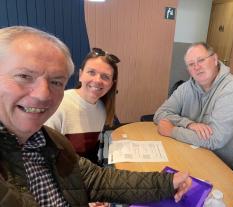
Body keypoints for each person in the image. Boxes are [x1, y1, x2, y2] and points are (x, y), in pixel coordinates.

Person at [0, 26, 191, 206]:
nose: (42, 94)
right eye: (24, 76)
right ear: (81, 75)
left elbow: (95, 179)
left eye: (56, 81)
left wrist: (167, 182)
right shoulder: (58, 114)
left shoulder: (49, 140)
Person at [153, 42, 233, 168]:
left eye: (201, 60)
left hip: (226, 166)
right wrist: (189, 124)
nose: (196, 67)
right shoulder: (186, 88)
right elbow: (160, 114)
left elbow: (214, 139)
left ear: (215, 59)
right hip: (196, 153)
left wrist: (172, 130)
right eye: (191, 64)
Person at [45, 47, 119, 164]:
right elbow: (46, 157)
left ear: (111, 84)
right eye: (91, 72)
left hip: (90, 173)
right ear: (80, 75)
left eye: (105, 77)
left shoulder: (102, 108)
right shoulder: (59, 104)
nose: (97, 80)